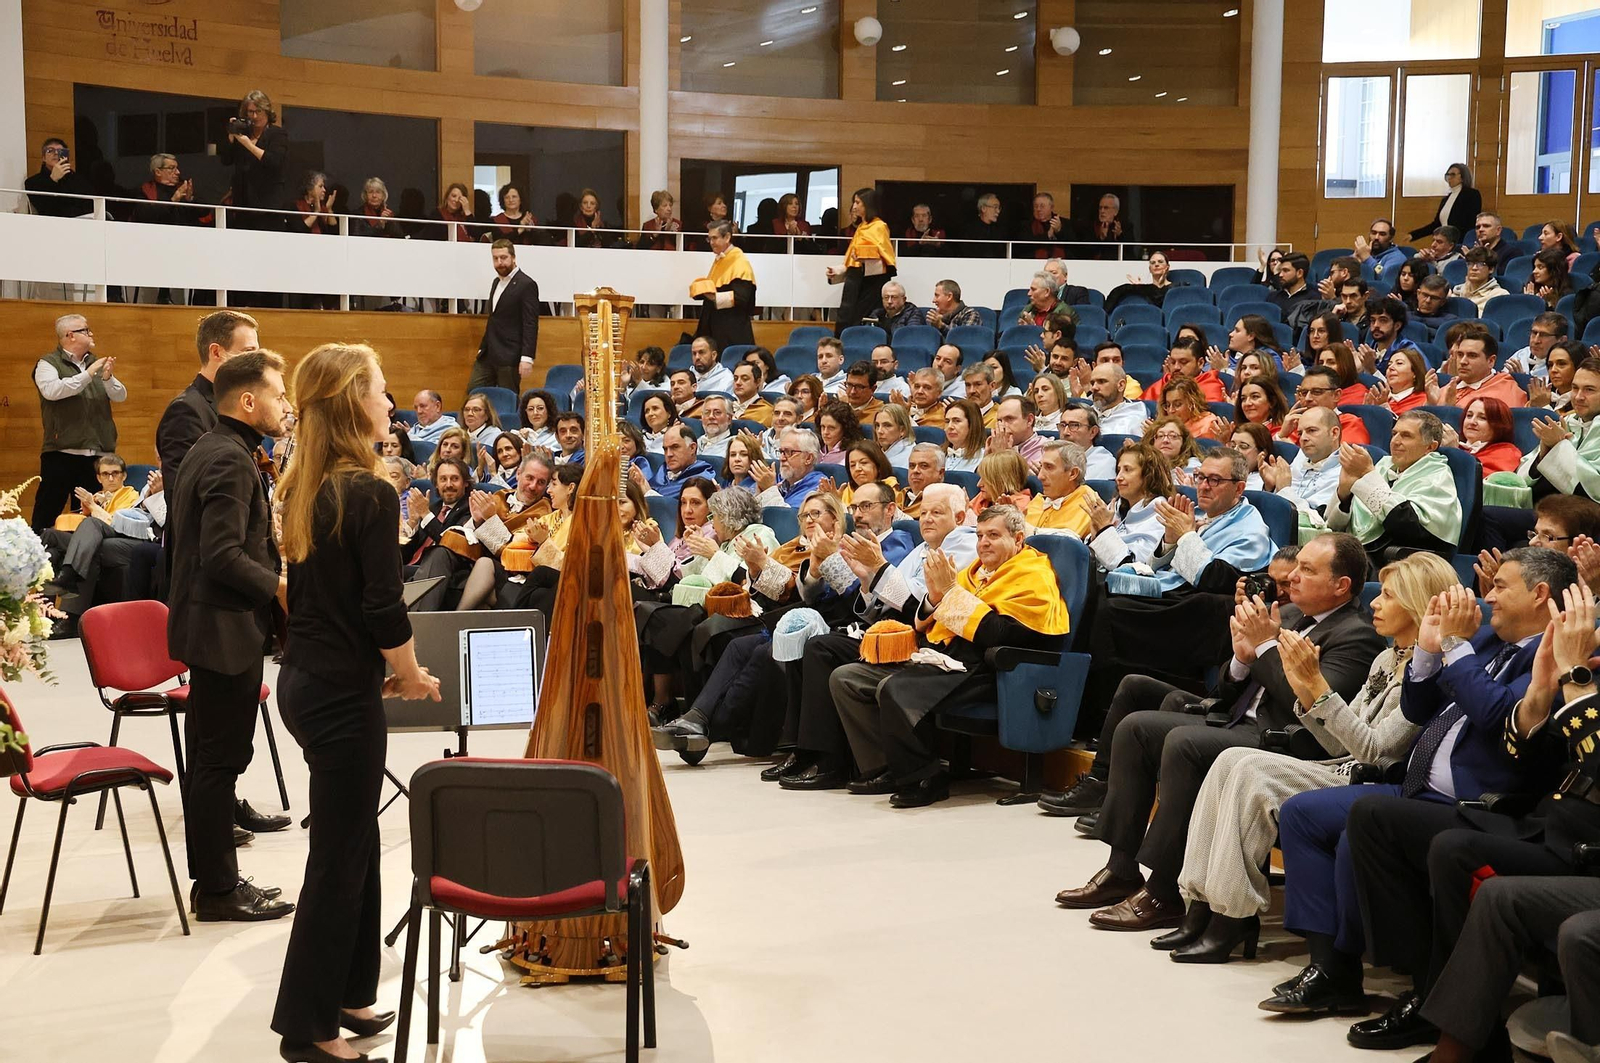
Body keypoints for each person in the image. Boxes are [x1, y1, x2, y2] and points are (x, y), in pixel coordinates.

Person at [1268, 549, 1575, 1028]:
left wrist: (1454, 646)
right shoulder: (1493, 641)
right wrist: (1430, 650)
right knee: (1303, 813)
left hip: (1478, 803)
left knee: (1364, 823)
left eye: (1501, 587)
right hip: (1416, 787)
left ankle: (1414, 986)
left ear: (1539, 595)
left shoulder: (1551, 653)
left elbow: (1499, 719)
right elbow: (1418, 704)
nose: (1487, 596)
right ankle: (1330, 965)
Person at [1055, 533, 1384, 931]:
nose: (1293, 577)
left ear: (1341, 585)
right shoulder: (1293, 617)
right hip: (1238, 719)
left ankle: (1163, 891)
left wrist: (1264, 649)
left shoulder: (1356, 636)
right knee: (1137, 720)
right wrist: (1242, 660)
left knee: (1182, 742)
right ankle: (1121, 868)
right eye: (1296, 568)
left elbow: (1310, 709)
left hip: (1284, 741)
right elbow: (1227, 692)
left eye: (1307, 570)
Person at [270, 343, 440, 1063]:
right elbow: (382, 609)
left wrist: (393, 669)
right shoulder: (368, 492)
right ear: (350, 403)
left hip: (305, 682)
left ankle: (348, 989)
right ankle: (305, 1028)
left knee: (357, 840)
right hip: (342, 694)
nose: (390, 400)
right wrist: (411, 674)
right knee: (338, 856)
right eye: (378, 389)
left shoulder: (305, 483)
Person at [1169, 551, 1456, 963]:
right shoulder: (1385, 656)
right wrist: (1308, 690)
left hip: (1376, 781)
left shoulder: (1433, 670)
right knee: (1231, 757)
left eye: (1388, 596)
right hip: (1341, 765)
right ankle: (1199, 905)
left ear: (1419, 605)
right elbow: (1338, 742)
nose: (1374, 602)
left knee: (1253, 769)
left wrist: (1316, 686)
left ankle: (1231, 917)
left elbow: (1376, 751)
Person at [825, 505, 1070, 806]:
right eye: (980, 535)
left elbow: (1003, 634)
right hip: (938, 654)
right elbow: (926, 620)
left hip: (985, 667)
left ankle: (925, 777)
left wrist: (949, 594)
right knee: (847, 678)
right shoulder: (974, 571)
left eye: (994, 535)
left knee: (894, 688)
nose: (983, 543)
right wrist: (936, 597)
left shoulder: (1033, 574)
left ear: (1019, 539)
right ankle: (883, 767)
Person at [166, 351, 294, 922]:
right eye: (279, 394)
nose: (286, 404)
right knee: (217, 765)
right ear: (248, 401)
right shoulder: (229, 459)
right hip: (223, 631)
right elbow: (221, 556)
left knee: (214, 761)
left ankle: (217, 881)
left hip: (214, 627)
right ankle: (218, 890)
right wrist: (281, 588)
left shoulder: (215, 447)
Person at [32, 314, 126, 532]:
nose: (91, 334)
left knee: (90, 518)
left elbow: (121, 396)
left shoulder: (96, 363)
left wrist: (108, 378)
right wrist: (87, 375)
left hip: (96, 454)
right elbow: (52, 391)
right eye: (86, 330)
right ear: (70, 335)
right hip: (60, 452)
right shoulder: (47, 363)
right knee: (47, 513)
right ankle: (37, 560)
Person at [1327, 411, 1462, 562]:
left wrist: (1368, 473)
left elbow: (1408, 529)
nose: (1395, 441)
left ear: (1430, 447)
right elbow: (1334, 525)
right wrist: (1344, 493)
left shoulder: (1437, 476)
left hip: (1405, 563)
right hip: (1364, 554)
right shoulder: (1385, 465)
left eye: (1406, 435)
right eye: (1394, 434)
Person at [1080, 442, 1169, 572]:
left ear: (1148, 475)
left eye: (1127, 470)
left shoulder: (1161, 513)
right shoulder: (1116, 506)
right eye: (1118, 470)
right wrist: (1095, 535)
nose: (1118, 477)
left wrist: (1104, 529)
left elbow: (1130, 568)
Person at [469, 239, 539, 392]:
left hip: (510, 355)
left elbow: (530, 323)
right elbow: (493, 319)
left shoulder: (526, 284)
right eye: (495, 258)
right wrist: (483, 347)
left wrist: (527, 358)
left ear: (513, 258)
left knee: (508, 398)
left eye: (503, 257)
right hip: (488, 354)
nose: (500, 262)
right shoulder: (496, 282)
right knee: (474, 395)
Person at [218, 90, 289, 232]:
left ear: (267, 111)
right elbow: (226, 160)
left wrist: (249, 145)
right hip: (243, 203)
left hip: (268, 204)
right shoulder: (243, 133)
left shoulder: (277, 133)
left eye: (258, 111)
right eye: (250, 112)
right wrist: (232, 137)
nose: (255, 116)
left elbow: (274, 161)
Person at [827, 188, 896, 330]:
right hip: (856, 278)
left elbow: (885, 257)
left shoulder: (879, 226)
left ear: (868, 204)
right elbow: (852, 258)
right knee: (845, 317)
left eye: (858, 202)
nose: (854, 206)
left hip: (870, 282)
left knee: (857, 319)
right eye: (854, 202)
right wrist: (838, 270)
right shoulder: (861, 227)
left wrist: (865, 257)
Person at [690, 220, 757, 350]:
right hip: (715, 326)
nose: (711, 242)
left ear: (727, 237)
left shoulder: (739, 261)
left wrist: (714, 297)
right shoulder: (721, 259)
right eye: (709, 239)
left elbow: (741, 298)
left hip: (732, 330)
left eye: (714, 238)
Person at [1022, 442, 1095, 536]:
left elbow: (1062, 542)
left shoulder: (1088, 502)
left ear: (1073, 473)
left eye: (1049, 467)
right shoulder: (1039, 500)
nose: (1040, 476)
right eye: (1041, 467)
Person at [1449, 327, 1527, 408]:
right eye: (1460, 355)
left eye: (1472, 356)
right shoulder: (1447, 388)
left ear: (1491, 361)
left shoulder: (1508, 392)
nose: (1463, 362)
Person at [1409, 163, 1481, 241]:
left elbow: (1471, 222)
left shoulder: (1471, 194)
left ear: (1463, 177)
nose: (1449, 178)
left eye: (1453, 175)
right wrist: (1413, 235)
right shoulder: (1446, 199)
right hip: (1445, 242)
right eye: (1447, 175)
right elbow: (1437, 224)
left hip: (1461, 242)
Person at [24, 137, 92, 217]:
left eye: (60, 151)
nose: (56, 153)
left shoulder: (78, 180)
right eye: (50, 151)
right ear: (44, 158)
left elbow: (90, 204)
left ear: (66, 156)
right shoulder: (33, 182)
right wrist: (53, 180)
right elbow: (44, 208)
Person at [1459, 396, 1522, 477]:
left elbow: (1475, 481)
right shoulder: (1454, 445)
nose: (1472, 422)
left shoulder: (1507, 453)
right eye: (1469, 415)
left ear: (1499, 425)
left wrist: (1454, 453)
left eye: (1482, 418)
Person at [1451, 246, 1508, 312]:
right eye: (1470, 263)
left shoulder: (1499, 295)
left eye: (1481, 264)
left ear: (1491, 269)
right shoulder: (1457, 292)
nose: (1474, 268)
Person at [942, 398, 987, 473]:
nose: (950, 426)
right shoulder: (938, 455)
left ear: (972, 424)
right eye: (947, 421)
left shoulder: (984, 457)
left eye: (957, 421)